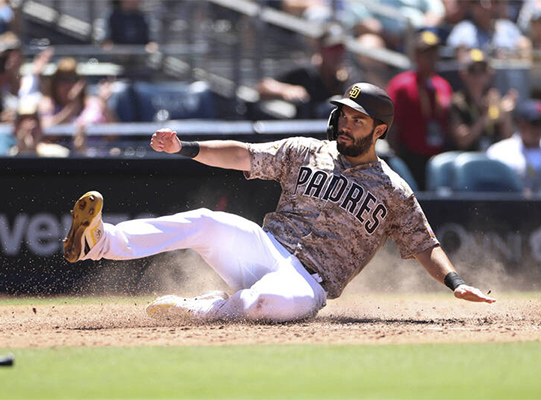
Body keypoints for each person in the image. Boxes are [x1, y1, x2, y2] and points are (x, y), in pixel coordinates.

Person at [63, 82, 495, 323]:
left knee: (262, 304)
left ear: (379, 131)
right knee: (205, 221)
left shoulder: (394, 190)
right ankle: (99, 242)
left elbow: (423, 243)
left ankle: (210, 308)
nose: (345, 123)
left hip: (309, 283)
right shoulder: (306, 150)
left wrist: (456, 283)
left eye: (357, 119)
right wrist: (186, 147)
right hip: (265, 246)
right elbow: (242, 155)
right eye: (343, 114)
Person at [386, 31, 453, 190]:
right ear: (416, 56)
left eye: (434, 54)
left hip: (438, 157)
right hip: (410, 157)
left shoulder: (443, 85)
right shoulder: (402, 85)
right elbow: (391, 125)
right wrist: (398, 158)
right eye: (426, 54)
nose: (431, 59)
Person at [255, 23, 360, 119]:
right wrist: (285, 89)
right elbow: (263, 87)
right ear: (320, 48)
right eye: (332, 48)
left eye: (340, 48)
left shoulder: (349, 77)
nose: (337, 53)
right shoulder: (304, 71)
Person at [486, 99, 541, 194]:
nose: (540, 129)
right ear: (521, 123)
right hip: (512, 206)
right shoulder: (499, 151)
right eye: (535, 123)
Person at [448, 48, 517, 151]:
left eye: (482, 70)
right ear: (463, 74)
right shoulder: (457, 102)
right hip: (468, 159)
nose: (478, 76)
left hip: (493, 157)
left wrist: (506, 114)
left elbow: (507, 137)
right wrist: (484, 118)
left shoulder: (494, 98)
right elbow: (462, 141)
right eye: (473, 71)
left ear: (489, 74)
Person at [446, 0, 530, 58]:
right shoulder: (463, 30)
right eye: (481, 2)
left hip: (506, 79)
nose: (486, 7)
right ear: (472, 6)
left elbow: (524, 47)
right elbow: (462, 61)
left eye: (492, 2)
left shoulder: (507, 28)